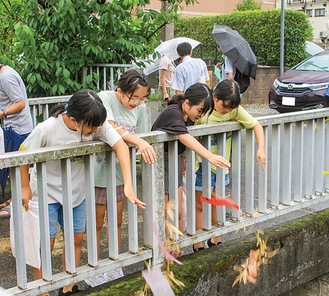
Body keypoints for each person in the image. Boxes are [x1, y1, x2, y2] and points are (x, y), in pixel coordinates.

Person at [19, 89, 145, 296]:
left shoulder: (96, 124)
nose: (96, 130)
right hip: (46, 192)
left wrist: (129, 184)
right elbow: (24, 153)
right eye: (91, 127)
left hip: (77, 192)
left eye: (98, 126)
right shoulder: (47, 128)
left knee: (76, 238)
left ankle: (69, 284)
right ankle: (41, 289)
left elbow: (121, 146)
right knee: (46, 242)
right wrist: (24, 187)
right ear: (74, 119)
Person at [87, 69, 156, 286]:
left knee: (116, 220)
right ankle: (94, 266)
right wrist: (136, 141)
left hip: (120, 171)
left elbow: (142, 136)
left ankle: (114, 263)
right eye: (133, 97)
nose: (137, 102)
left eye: (141, 98)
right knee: (96, 221)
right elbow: (110, 128)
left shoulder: (141, 109)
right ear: (120, 90)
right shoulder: (105, 98)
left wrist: (139, 142)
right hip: (98, 169)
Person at [193, 79, 266, 251]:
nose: (227, 111)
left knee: (217, 202)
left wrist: (261, 148)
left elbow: (256, 125)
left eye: (231, 108)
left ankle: (215, 237)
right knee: (200, 203)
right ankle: (197, 240)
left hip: (221, 166)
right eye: (224, 106)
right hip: (201, 165)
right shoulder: (204, 110)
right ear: (214, 97)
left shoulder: (234, 110)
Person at [151, 83, 230, 233]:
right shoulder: (173, 112)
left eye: (203, 112)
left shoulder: (187, 114)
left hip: (175, 159)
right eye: (199, 110)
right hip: (162, 161)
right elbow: (184, 137)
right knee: (167, 211)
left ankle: (175, 246)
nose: (200, 115)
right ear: (187, 103)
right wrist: (209, 156)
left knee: (179, 211)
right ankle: (164, 249)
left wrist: (182, 159)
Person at [0, 64, 33, 219]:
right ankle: (13, 199)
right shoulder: (5, 74)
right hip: (12, 128)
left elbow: (20, 103)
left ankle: (16, 203)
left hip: (18, 129)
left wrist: (2, 113)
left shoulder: (5, 77)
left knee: (18, 166)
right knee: (14, 167)